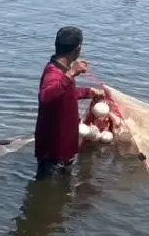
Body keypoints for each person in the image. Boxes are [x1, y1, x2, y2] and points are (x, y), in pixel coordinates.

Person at [34, 26, 105, 180]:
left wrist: (88, 92)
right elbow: (46, 97)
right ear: (78, 48)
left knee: (62, 193)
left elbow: (65, 94)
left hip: (64, 150)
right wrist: (72, 73)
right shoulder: (54, 73)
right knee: (51, 196)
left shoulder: (62, 72)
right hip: (53, 153)